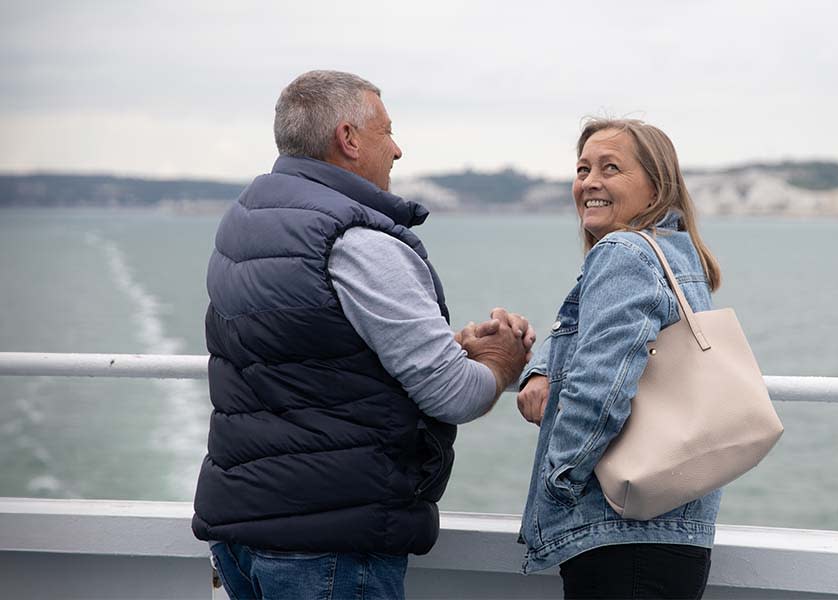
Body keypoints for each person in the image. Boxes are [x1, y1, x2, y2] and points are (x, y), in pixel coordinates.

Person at [192, 70, 533, 599]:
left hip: (241, 529)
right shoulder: (354, 239)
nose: (397, 150)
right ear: (348, 139)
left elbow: (311, 352)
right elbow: (452, 393)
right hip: (329, 543)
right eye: (387, 132)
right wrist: (502, 360)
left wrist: (452, 348)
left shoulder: (246, 221)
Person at [516, 118, 724, 599]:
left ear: (656, 187)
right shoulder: (675, 251)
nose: (590, 182)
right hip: (673, 529)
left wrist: (559, 483)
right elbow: (589, 332)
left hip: (619, 535)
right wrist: (542, 367)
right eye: (583, 168)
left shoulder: (623, 253)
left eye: (611, 168)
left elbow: (600, 387)